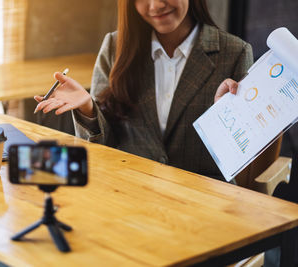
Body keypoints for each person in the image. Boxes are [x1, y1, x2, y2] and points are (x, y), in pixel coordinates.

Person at [34, 0, 253, 180]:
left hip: (204, 200)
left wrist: (224, 117)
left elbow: (243, 154)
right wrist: (88, 109)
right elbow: (103, 147)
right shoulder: (115, 46)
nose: (155, 5)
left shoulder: (234, 53)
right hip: (131, 189)